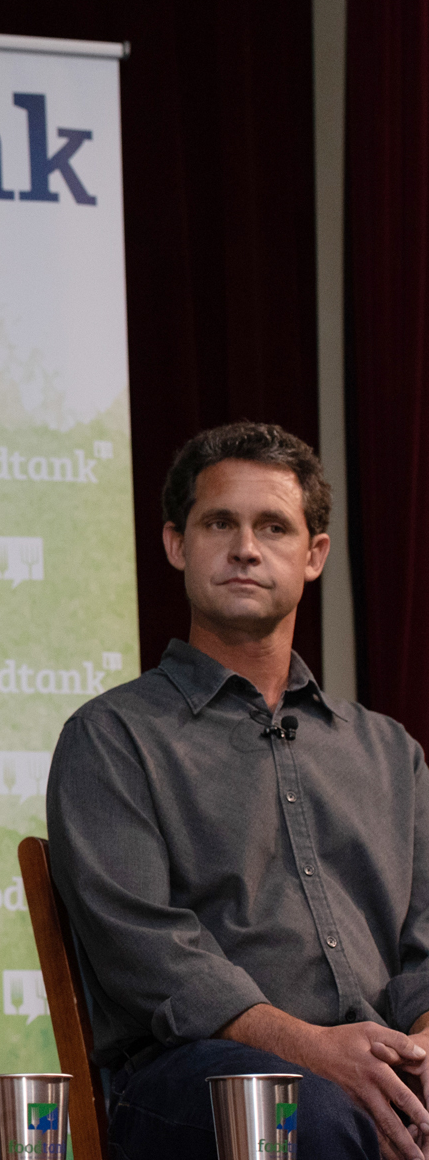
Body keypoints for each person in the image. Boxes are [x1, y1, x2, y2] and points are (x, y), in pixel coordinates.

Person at [49, 422, 429, 1160]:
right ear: (175, 544)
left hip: (385, 1062)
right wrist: (318, 1052)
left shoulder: (390, 751)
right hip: (190, 1073)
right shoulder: (112, 737)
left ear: (314, 554)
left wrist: (419, 1052)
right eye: (220, 521)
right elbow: (148, 952)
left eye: (274, 526)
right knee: (305, 1112)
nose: (246, 547)